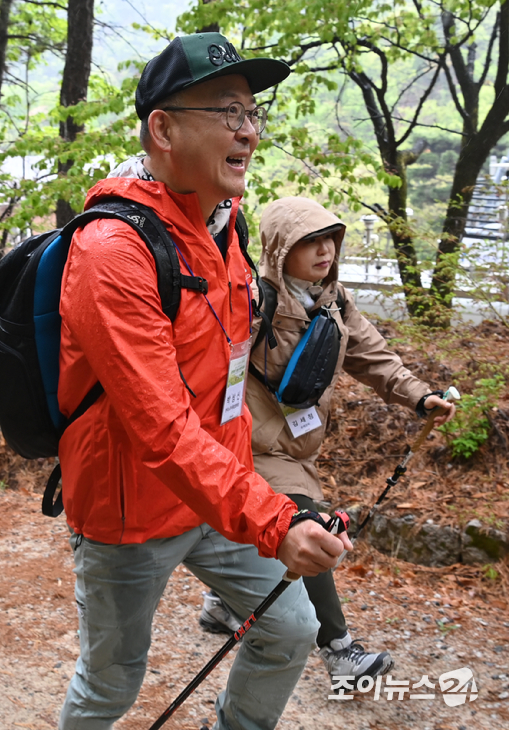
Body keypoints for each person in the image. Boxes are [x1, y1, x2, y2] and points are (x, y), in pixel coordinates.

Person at [56, 35, 353, 730]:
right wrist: (277, 519)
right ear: (163, 128)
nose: (249, 130)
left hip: (214, 499)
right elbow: (160, 427)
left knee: (288, 630)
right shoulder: (112, 252)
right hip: (127, 517)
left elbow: (228, 376)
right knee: (110, 685)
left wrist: (270, 499)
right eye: (227, 110)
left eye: (254, 112)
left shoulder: (225, 226)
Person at [199, 196, 456, 686]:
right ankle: (339, 653)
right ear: (278, 248)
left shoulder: (333, 301)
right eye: (309, 241)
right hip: (253, 445)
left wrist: (421, 398)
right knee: (313, 526)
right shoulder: (252, 303)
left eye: (329, 241)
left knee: (278, 532)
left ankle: (220, 603)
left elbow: (376, 359)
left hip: (299, 447)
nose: (324, 252)